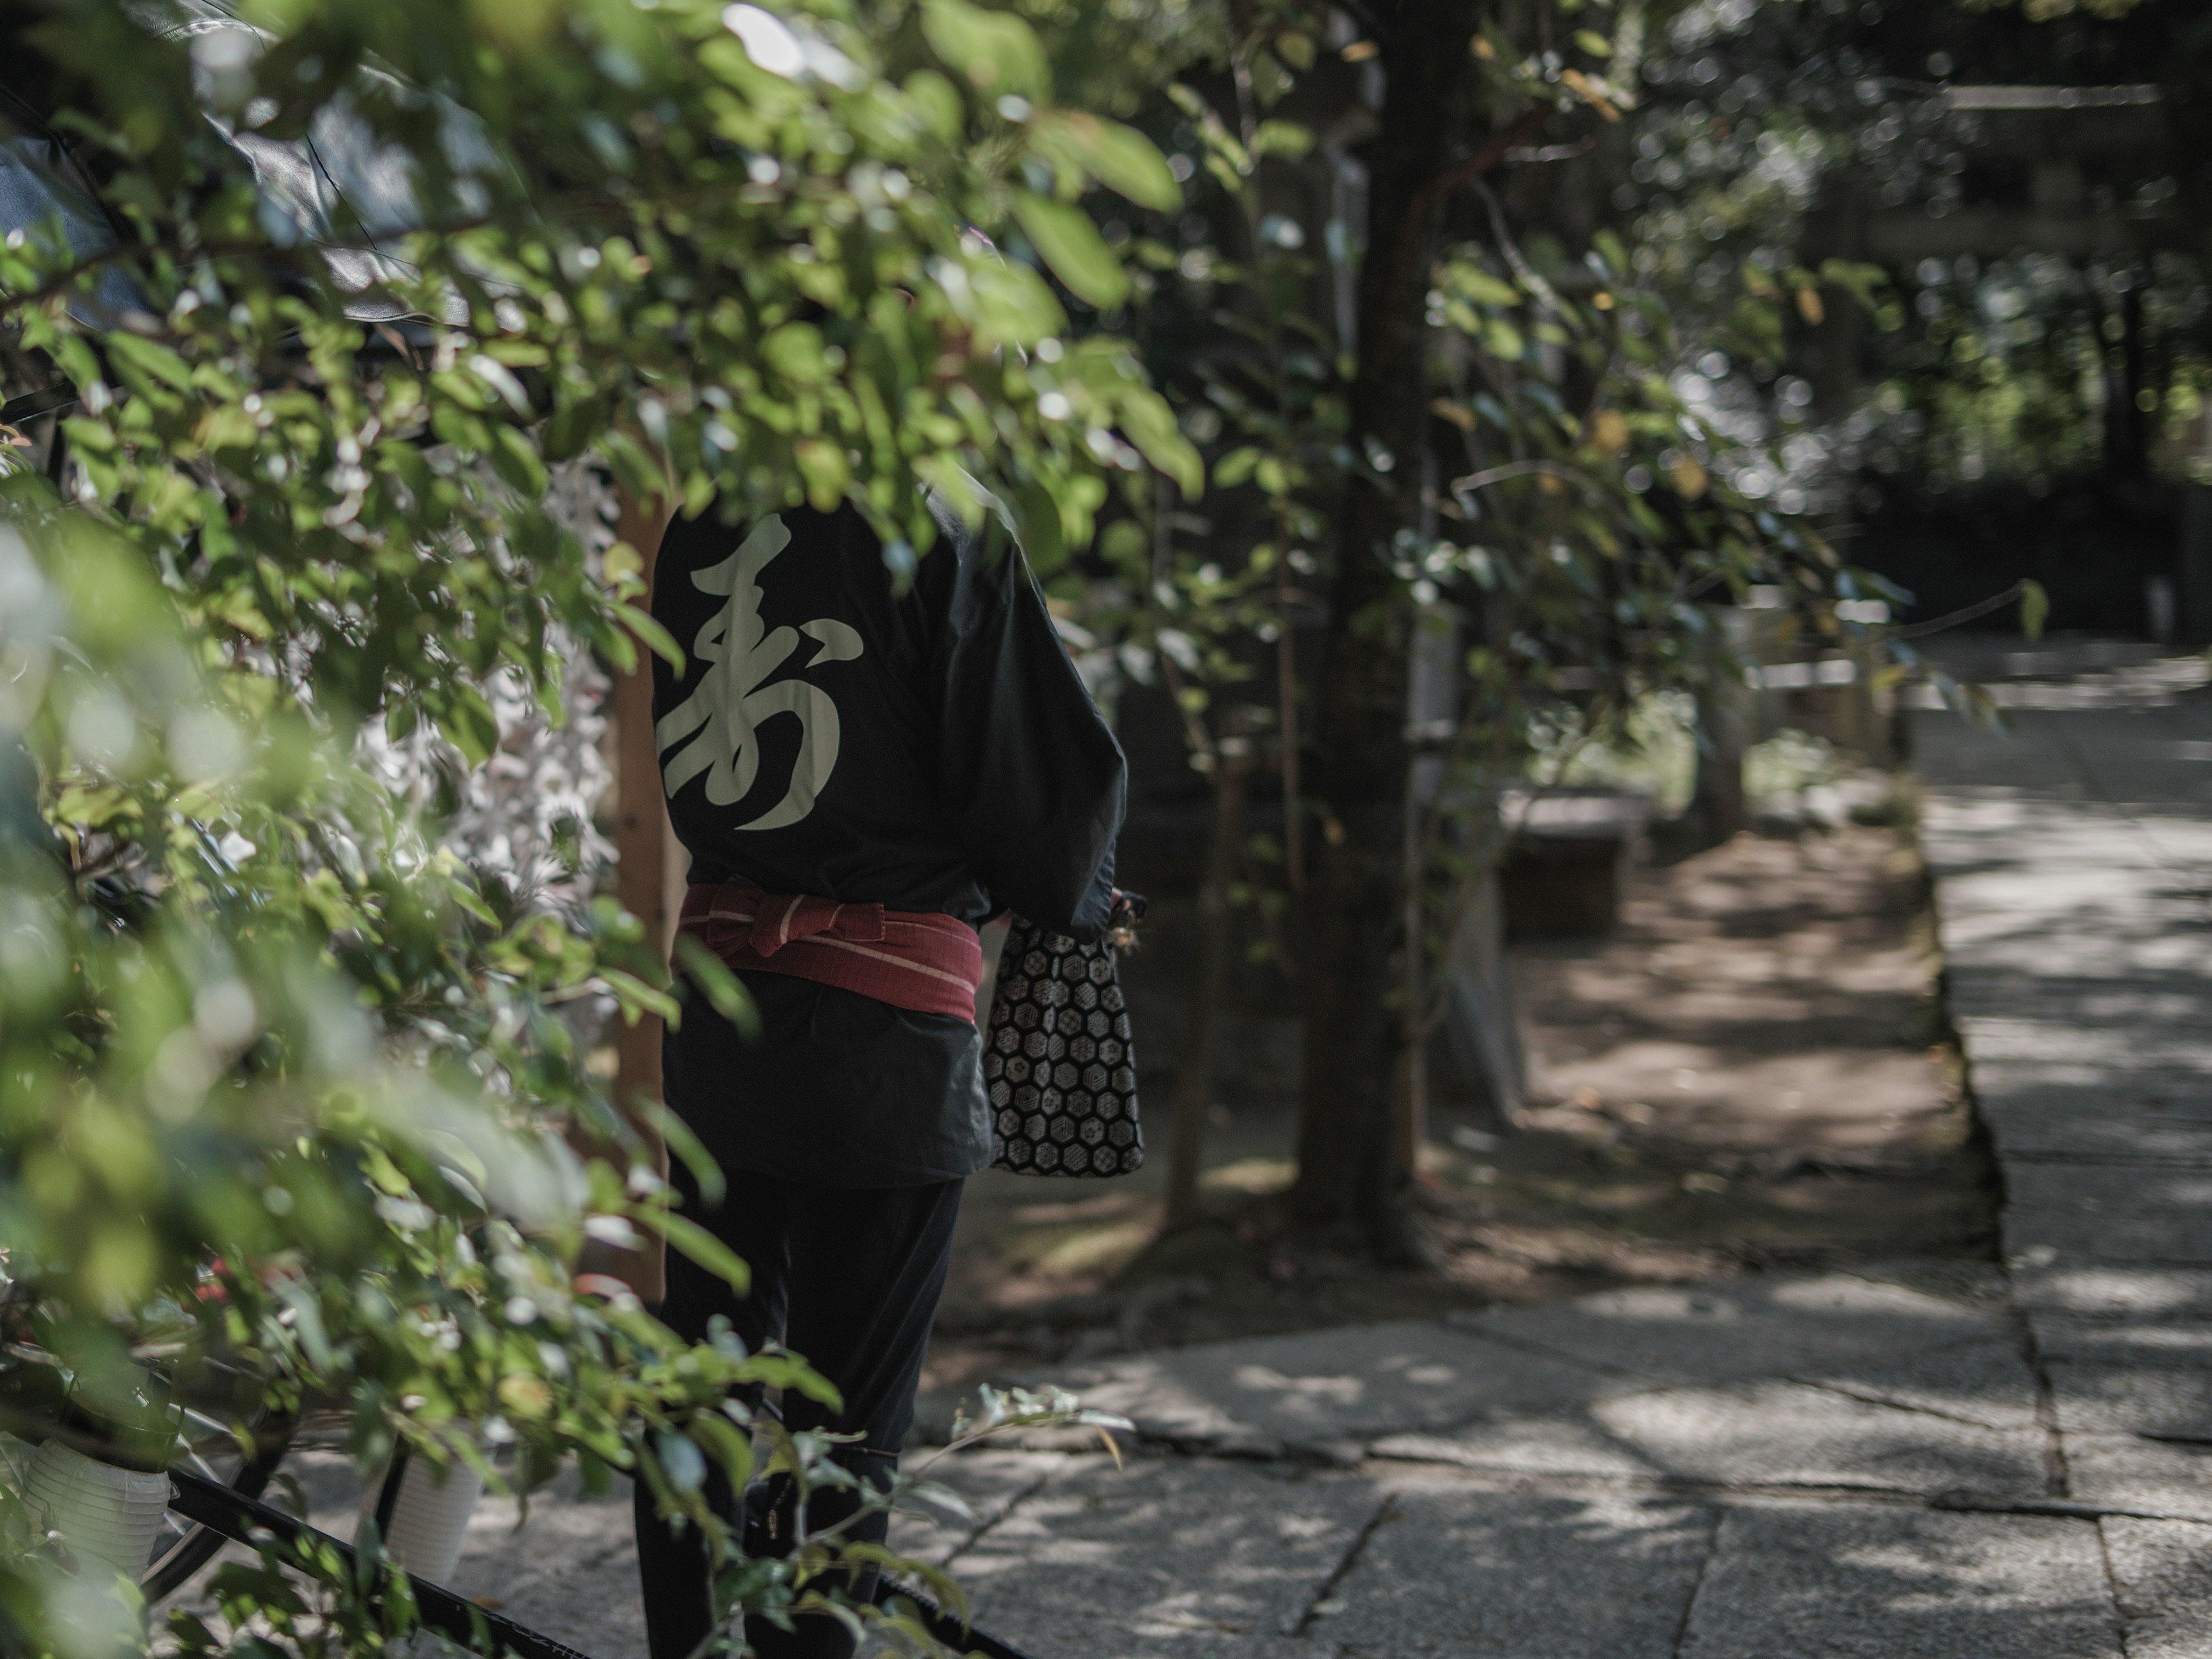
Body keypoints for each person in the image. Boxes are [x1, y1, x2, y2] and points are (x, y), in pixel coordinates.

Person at [632, 495, 1126, 1659]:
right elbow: (1046, 796)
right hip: (880, 1035)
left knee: (699, 1379)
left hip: (717, 1005)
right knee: (846, 1428)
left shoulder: (704, 512)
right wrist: (1076, 891)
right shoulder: (939, 512)